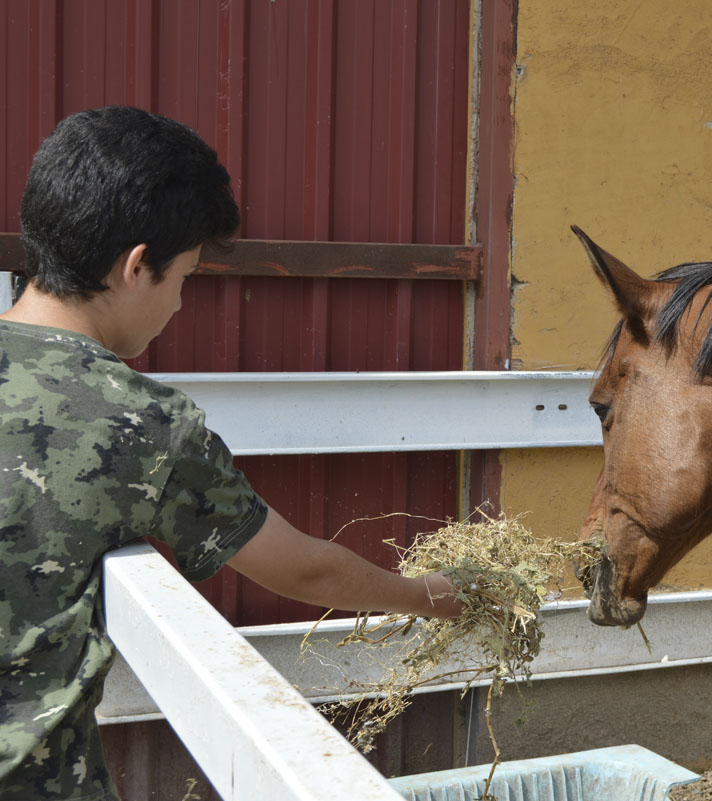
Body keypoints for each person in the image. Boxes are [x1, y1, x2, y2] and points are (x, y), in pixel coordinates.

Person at [0, 106, 463, 801]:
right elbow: (305, 567)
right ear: (136, 268)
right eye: (185, 277)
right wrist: (427, 595)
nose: (182, 304)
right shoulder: (140, 423)